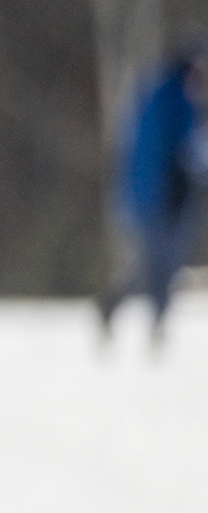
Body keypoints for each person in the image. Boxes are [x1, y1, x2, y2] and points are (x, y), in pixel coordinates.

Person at [97, 34, 207, 347]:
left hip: (148, 197)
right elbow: (188, 149)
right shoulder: (177, 98)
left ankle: (144, 319)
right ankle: (130, 313)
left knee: (159, 268)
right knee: (160, 267)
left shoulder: (156, 91)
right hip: (159, 200)